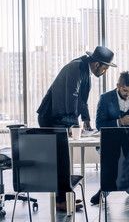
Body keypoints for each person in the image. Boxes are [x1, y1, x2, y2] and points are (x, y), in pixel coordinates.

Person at [37, 46, 116, 211]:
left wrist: (86, 119)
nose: (105, 72)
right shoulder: (77, 67)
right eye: (105, 68)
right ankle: (62, 200)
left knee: (63, 158)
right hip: (52, 118)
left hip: (60, 118)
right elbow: (71, 96)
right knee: (62, 159)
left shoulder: (84, 70)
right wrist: (74, 124)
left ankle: (64, 196)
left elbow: (81, 99)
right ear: (97, 64)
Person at [90, 71, 129, 205]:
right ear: (118, 85)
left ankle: (112, 187)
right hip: (110, 140)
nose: (128, 93)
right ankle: (110, 188)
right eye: (125, 90)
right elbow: (99, 124)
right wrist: (119, 122)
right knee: (112, 157)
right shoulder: (105, 98)